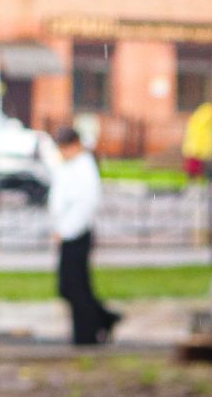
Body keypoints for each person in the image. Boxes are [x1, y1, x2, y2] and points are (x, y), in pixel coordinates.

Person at [48, 126, 121, 345]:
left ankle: (87, 334)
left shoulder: (85, 168)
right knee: (70, 287)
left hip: (76, 234)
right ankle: (103, 320)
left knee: (75, 287)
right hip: (66, 232)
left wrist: (66, 230)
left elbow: (85, 204)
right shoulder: (68, 166)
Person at [182, 101, 212, 180]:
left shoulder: (201, 121)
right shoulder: (203, 123)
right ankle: (199, 183)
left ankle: (200, 183)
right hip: (199, 150)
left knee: (202, 168)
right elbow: (197, 137)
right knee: (197, 168)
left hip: (200, 150)